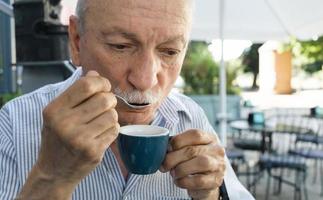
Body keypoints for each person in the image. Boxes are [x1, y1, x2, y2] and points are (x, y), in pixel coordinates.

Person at [0, 0, 254, 199]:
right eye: (120, 46)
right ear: (77, 42)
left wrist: (211, 195)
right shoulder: (13, 123)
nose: (144, 80)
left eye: (169, 51)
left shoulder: (191, 117)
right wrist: (51, 178)